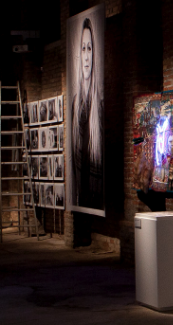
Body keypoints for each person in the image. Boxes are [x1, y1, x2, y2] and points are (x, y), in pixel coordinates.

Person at [70, 17, 104, 211]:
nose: (86, 56)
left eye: (89, 48)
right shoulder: (76, 104)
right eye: (83, 49)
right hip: (80, 195)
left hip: (94, 196)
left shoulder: (99, 106)